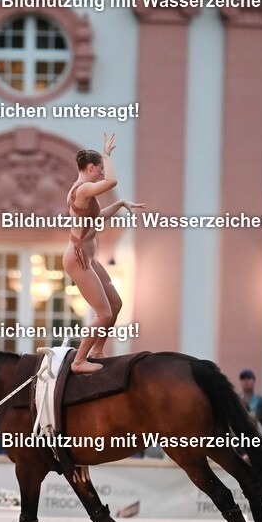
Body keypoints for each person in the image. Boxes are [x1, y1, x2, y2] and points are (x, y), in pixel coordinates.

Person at [63, 133, 146, 373]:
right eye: (100, 169)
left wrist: (120, 204)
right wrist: (107, 156)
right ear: (91, 167)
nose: (102, 172)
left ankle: (97, 350)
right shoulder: (82, 190)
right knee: (103, 313)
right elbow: (111, 182)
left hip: (87, 257)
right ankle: (79, 361)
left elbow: (96, 219)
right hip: (78, 258)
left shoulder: (85, 192)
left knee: (116, 304)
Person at [238, 369, 262, 435]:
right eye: (243, 379)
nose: (246, 382)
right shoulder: (236, 399)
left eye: (248, 379)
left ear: (254, 381)